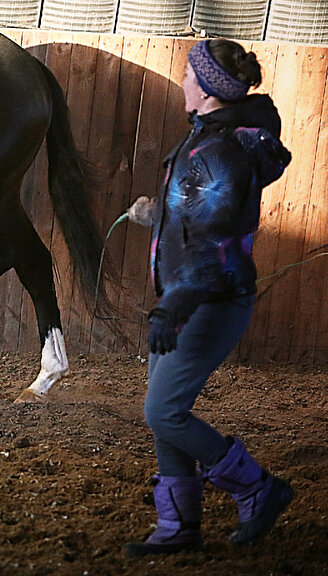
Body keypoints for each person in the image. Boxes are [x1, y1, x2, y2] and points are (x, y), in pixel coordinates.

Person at [123, 37, 294, 557]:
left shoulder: (218, 149)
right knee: (164, 412)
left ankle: (258, 488)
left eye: (188, 75)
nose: (182, 83)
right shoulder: (209, 137)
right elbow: (199, 218)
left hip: (208, 301)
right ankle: (178, 527)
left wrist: (173, 306)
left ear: (209, 90)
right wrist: (159, 215)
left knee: (164, 412)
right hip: (192, 296)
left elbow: (215, 241)